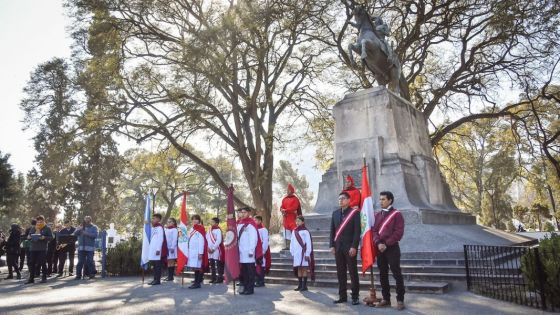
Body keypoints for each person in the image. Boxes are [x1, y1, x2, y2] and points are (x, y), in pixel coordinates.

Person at [372, 191, 405, 310]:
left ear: (390, 200)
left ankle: (400, 300)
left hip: (392, 248)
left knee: (396, 273)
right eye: (380, 199)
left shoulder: (397, 214)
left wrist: (385, 243)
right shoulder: (377, 215)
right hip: (380, 248)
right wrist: (378, 243)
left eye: (383, 199)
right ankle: (386, 299)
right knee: (383, 274)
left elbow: (398, 233)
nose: (381, 201)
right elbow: (374, 231)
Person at [330, 192, 361, 305]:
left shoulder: (355, 213)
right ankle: (342, 296)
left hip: (350, 248)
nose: (340, 200)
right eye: (339, 199)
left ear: (348, 200)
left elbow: (357, 232)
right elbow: (332, 231)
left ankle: (355, 296)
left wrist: (354, 246)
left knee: (353, 273)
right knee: (340, 273)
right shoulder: (335, 213)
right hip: (338, 248)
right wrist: (332, 245)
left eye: (343, 198)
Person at [237, 207, 262, 295]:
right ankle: (245, 288)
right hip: (241, 252)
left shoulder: (251, 224)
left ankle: (250, 289)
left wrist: (251, 250)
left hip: (249, 252)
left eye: (244, 212)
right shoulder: (239, 224)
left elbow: (253, 239)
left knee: (250, 272)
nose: (242, 214)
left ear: (248, 213)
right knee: (244, 272)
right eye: (241, 212)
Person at [290, 216, 315, 292]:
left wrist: (307, 253)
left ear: (303, 222)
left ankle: (304, 286)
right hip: (296, 253)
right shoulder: (294, 231)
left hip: (303, 252)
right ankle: (299, 285)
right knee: (299, 268)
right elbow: (292, 242)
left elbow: (308, 243)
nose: (297, 223)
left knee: (304, 268)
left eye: (299, 221)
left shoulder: (305, 231)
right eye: (296, 221)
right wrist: (292, 251)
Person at [26, 215, 53, 284]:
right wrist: (29, 237)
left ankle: (44, 278)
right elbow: (29, 236)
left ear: (44, 221)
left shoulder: (47, 228)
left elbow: (51, 237)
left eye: (41, 222)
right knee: (32, 263)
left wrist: (44, 237)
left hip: (42, 248)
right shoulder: (33, 228)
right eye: (38, 222)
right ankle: (31, 279)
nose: (39, 223)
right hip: (33, 248)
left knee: (43, 263)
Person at [73, 216, 98, 280]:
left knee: (90, 261)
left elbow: (95, 235)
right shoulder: (81, 226)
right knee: (80, 262)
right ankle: (78, 275)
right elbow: (75, 234)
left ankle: (91, 274)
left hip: (90, 248)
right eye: (85, 219)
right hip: (81, 248)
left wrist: (86, 233)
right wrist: (79, 229)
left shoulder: (94, 227)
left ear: (90, 220)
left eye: (88, 219)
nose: (86, 221)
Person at [187, 214, 208, 289]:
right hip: (192, 251)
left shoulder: (200, 228)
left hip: (197, 251)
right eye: (193, 219)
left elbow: (201, 242)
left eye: (196, 219)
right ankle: (196, 282)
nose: (194, 220)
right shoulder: (192, 229)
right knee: (195, 268)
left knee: (198, 267)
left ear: (199, 220)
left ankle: (197, 283)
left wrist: (200, 253)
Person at [280, 184, 302, 250]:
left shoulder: (295, 199)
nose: (287, 191)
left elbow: (294, 207)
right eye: (287, 190)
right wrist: (281, 210)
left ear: (292, 191)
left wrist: (285, 210)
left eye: (289, 190)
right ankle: (288, 246)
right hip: (286, 218)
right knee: (286, 232)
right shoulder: (284, 199)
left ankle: (295, 245)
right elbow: (281, 207)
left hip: (293, 218)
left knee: (294, 232)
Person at [148, 213, 167, 285]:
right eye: (152, 218)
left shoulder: (159, 227)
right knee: (154, 266)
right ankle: (154, 279)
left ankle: (157, 280)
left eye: (154, 218)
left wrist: (158, 249)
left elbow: (160, 239)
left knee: (157, 265)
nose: (153, 219)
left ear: (158, 219)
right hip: (152, 249)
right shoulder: (153, 227)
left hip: (157, 250)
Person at [206, 217, 225, 284]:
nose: (211, 223)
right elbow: (207, 239)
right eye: (211, 222)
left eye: (213, 222)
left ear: (217, 223)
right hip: (209, 250)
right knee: (212, 264)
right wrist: (208, 248)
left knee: (218, 264)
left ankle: (220, 278)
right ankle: (213, 278)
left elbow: (219, 240)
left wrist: (213, 248)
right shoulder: (209, 230)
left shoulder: (218, 230)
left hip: (216, 249)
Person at [254, 215, 270, 287]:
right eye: (254, 220)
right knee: (255, 265)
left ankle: (261, 281)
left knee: (261, 265)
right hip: (254, 250)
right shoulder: (253, 229)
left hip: (261, 250)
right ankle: (257, 280)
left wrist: (262, 251)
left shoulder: (264, 230)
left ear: (260, 221)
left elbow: (265, 241)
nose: (255, 222)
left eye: (256, 220)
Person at [164, 217, 178, 282]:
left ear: (174, 223)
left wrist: (172, 247)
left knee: (172, 262)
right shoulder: (166, 229)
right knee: (168, 262)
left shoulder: (174, 229)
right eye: (168, 222)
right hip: (166, 248)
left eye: (170, 222)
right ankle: (169, 276)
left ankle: (171, 276)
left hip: (172, 248)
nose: (168, 223)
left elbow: (175, 239)